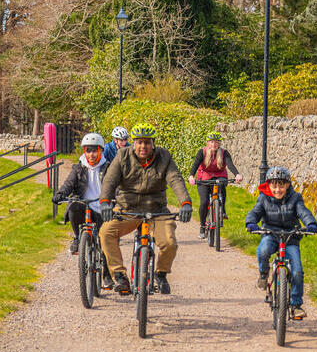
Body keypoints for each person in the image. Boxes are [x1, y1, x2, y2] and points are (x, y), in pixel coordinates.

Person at [99, 124, 193, 296]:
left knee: (169, 243)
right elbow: (110, 180)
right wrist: (105, 201)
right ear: (133, 143)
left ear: (153, 143)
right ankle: (120, 276)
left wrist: (185, 202)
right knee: (105, 233)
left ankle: (161, 274)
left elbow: (175, 179)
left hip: (156, 210)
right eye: (139, 142)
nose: (143, 146)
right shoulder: (122, 155)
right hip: (127, 208)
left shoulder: (164, 157)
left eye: (147, 142)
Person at [245, 165, 317, 318]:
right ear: (269, 185)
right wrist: (251, 223)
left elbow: (303, 212)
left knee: (297, 271)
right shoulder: (263, 198)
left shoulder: (295, 198)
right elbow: (255, 212)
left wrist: (310, 224)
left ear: (288, 185)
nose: (278, 189)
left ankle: (296, 304)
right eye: (274, 185)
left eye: (281, 185)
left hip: (291, 236)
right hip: (270, 233)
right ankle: (264, 274)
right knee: (263, 250)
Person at [55, 133, 113, 289]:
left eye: (95, 150)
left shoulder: (108, 167)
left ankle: (107, 275)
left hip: (103, 209)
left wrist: (115, 200)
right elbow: (69, 183)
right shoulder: (79, 167)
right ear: (84, 151)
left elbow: (115, 186)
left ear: (101, 151)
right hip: (84, 205)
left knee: (105, 242)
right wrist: (61, 194)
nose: (91, 154)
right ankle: (78, 237)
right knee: (73, 207)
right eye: (88, 150)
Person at [188, 131, 242, 239]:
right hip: (204, 176)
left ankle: (222, 210)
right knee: (204, 201)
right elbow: (195, 165)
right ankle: (203, 226)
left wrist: (237, 174)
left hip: (219, 175)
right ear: (208, 143)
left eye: (216, 142)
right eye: (212, 142)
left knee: (222, 185)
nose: (214, 144)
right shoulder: (202, 152)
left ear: (219, 143)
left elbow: (230, 164)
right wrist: (191, 176)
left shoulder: (224, 153)